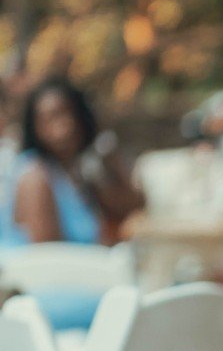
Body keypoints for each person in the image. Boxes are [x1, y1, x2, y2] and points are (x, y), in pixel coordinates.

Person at [1, 77, 142, 246]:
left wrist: (112, 162)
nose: (64, 127)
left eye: (68, 114)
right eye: (49, 119)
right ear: (34, 127)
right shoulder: (35, 176)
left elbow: (131, 209)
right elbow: (48, 254)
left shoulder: (78, 171)